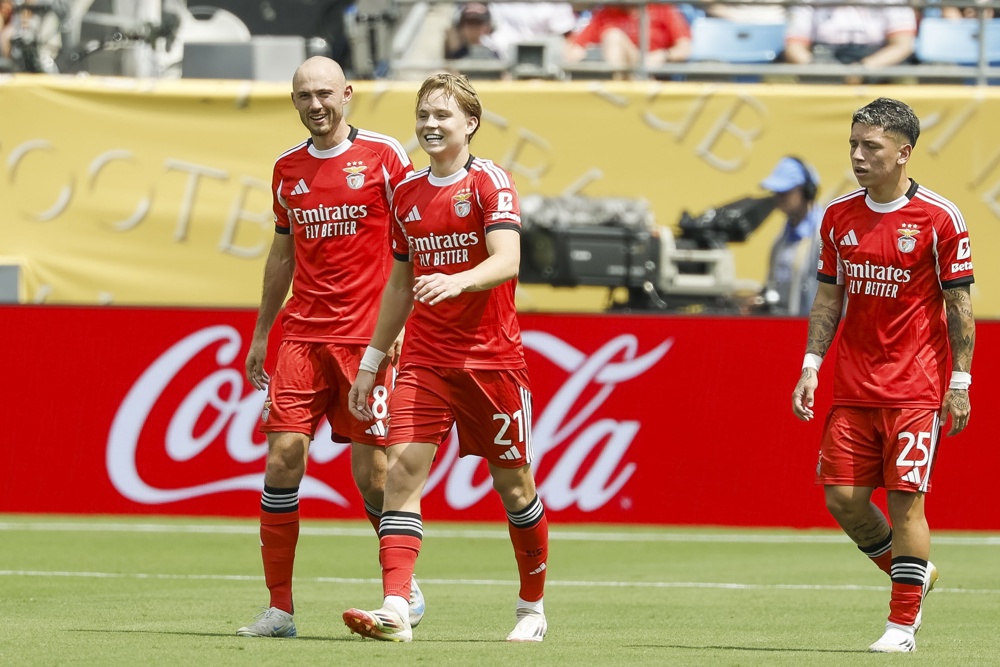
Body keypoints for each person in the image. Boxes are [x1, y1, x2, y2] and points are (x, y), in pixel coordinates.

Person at [341, 72, 549, 643]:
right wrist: (371, 360)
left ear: (470, 124)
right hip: (425, 360)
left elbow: (507, 258)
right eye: (424, 116)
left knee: (515, 488)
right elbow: (399, 287)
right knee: (402, 472)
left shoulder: (490, 183)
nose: (431, 125)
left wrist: (459, 282)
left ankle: (531, 607)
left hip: (491, 361)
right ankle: (397, 606)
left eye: (443, 116)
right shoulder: (406, 193)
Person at [237, 56, 425, 638]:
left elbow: (417, 236)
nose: (315, 105)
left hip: (366, 340)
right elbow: (282, 255)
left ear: (347, 93)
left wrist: (398, 333)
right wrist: (263, 331)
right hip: (301, 337)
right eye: (303, 96)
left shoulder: (386, 157)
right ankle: (280, 609)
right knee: (282, 457)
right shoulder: (286, 170)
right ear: (293, 102)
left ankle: (403, 591)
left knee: (373, 476)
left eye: (324, 94)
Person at [791, 97, 976, 653]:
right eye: (853, 144)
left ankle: (901, 625)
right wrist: (810, 365)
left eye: (870, 146)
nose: (858, 155)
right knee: (843, 499)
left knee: (905, 503)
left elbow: (959, 308)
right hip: (852, 385)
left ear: (904, 152)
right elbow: (829, 297)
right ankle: (915, 574)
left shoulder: (940, 218)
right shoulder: (838, 215)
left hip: (916, 387)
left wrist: (960, 383)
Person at [784, 0, 917, 82]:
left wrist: (863, 69)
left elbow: (903, 45)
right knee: (779, 76)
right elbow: (794, 47)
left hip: (876, 61)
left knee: (905, 78)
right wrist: (818, 68)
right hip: (823, 60)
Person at [758, 156, 823, 316]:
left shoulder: (825, 233)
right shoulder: (783, 236)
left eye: (785, 192)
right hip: (786, 327)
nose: (778, 198)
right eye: (776, 192)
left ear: (806, 191)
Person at [564, 3, 692, 78]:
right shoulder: (605, 13)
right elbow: (576, 48)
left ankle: (619, 90)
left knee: (614, 36)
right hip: (621, 73)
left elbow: (684, 49)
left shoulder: (663, 9)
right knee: (613, 36)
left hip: (651, 74)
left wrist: (662, 55)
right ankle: (620, 88)